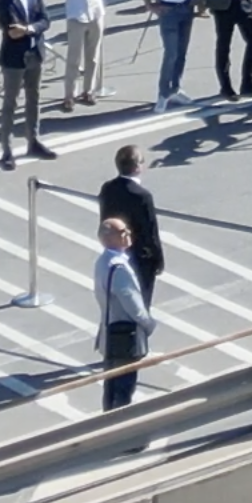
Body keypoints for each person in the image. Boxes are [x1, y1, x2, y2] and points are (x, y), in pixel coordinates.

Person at [0, 0, 50, 161]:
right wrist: (30, 28)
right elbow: (11, 30)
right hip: (14, 58)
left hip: (35, 53)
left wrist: (28, 29)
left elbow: (45, 20)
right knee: (11, 103)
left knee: (34, 99)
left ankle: (33, 141)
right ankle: (7, 150)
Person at [92, 213, 151, 410]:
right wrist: (148, 324)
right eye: (122, 231)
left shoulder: (102, 262)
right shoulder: (119, 268)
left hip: (109, 332)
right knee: (124, 387)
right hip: (124, 335)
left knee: (111, 384)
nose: (128, 233)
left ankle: (107, 423)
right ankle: (120, 430)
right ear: (108, 238)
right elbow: (132, 303)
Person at [96, 147, 164, 305]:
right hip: (139, 257)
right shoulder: (142, 195)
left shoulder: (108, 188)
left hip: (114, 251)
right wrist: (158, 260)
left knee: (117, 302)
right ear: (137, 167)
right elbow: (150, 231)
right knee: (141, 301)